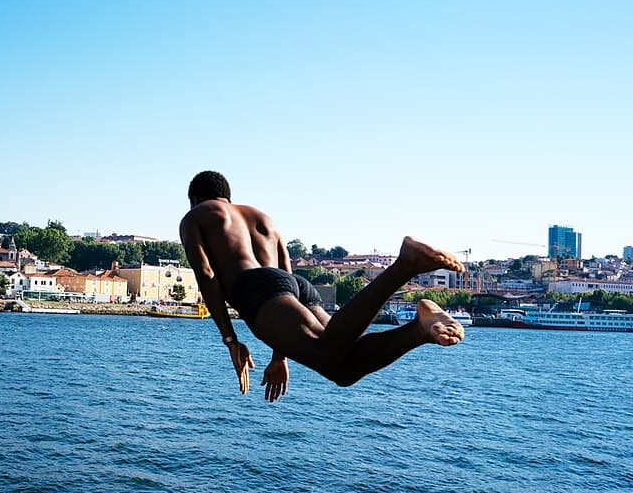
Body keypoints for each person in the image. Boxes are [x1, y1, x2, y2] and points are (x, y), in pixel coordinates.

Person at [179, 170, 466, 402]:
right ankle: (419, 329)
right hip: (293, 286)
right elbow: (286, 274)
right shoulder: (261, 218)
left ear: (195, 198)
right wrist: (280, 354)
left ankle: (406, 265)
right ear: (229, 196)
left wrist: (230, 340)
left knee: (329, 351)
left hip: (255, 290)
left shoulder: (197, 216)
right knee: (343, 368)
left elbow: (206, 274)